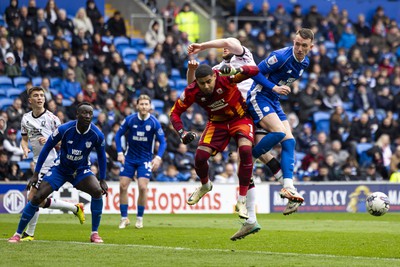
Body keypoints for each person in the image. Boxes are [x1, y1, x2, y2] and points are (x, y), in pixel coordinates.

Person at [186, 37, 293, 240]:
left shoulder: (244, 56)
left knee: (269, 145)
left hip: (254, 107)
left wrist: (203, 46)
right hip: (235, 115)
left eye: (226, 46)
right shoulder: (216, 70)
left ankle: (286, 187)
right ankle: (252, 216)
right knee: (251, 158)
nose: (225, 47)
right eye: (222, 48)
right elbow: (193, 87)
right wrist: (193, 69)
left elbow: (229, 41)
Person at [169, 63, 259, 228]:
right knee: (200, 157)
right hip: (216, 124)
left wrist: (235, 70)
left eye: (209, 81)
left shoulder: (225, 77)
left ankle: (241, 200)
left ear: (214, 76)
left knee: (245, 150)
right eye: (202, 83)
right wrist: (181, 132)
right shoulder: (192, 91)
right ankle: (205, 185)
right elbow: (174, 112)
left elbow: (255, 70)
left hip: (240, 118)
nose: (206, 86)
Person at [8, 102, 108, 243]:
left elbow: (102, 156)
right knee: (37, 197)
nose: (87, 116)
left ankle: (94, 234)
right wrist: (36, 174)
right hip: (61, 169)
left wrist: (102, 179)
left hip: (81, 170)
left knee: (97, 191)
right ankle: (17, 234)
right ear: (77, 115)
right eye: (84, 113)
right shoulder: (65, 129)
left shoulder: (97, 134)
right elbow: (47, 148)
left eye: (90, 114)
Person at [246, 28, 314, 211]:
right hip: (258, 96)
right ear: (294, 41)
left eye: (304, 46)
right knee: (279, 132)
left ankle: (289, 186)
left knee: (290, 141)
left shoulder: (305, 63)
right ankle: (248, 158)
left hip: (273, 101)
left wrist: (276, 91)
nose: (299, 48)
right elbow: (254, 72)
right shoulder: (281, 56)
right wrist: (274, 88)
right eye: (297, 44)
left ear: (311, 47)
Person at [116, 95, 166, 229]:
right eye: (141, 104)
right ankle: (124, 218)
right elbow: (117, 135)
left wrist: (158, 157)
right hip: (130, 158)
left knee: (143, 187)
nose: (144, 107)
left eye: (146, 104)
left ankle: (139, 218)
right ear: (137, 106)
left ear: (150, 106)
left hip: (145, 159)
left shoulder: (154, 122)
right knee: (122, 186)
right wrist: (120, 152)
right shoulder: (130, 120)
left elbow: (163, 142)